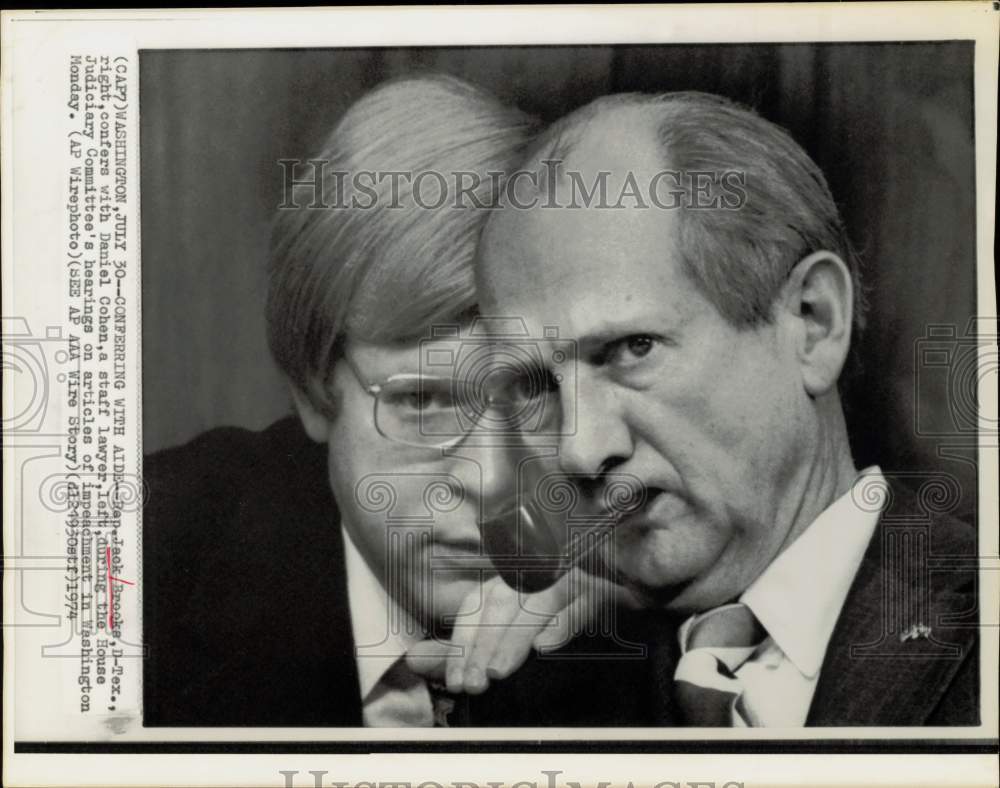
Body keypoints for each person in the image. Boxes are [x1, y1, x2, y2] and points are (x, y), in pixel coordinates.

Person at [142, 75, 649, 727]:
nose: (489, 482)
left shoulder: (657, 574)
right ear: (315, 392)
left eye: (532, 395)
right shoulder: (139, 567)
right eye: (425, 403)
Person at [472, 91, 979, 726]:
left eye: (633, 349)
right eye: (535, 386)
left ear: (812, 323)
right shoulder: (537, 690)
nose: (579, 450)